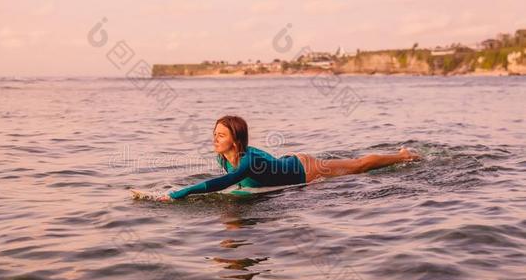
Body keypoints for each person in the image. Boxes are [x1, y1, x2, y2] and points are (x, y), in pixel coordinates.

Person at [160, 115, 420, 201]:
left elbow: (221, 184)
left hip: (305, 169)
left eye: (221, 135)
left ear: (236, 140)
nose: (214, 139)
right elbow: (232, 181)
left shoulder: (247, 160)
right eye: (214, 134)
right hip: (283, 162)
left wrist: (177, 194)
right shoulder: (224, 157)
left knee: (358, 166)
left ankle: (402, 156)